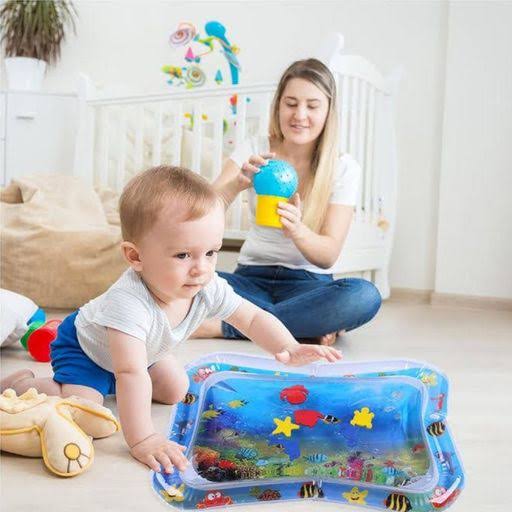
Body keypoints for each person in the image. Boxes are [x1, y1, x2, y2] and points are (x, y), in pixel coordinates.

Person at [0, 165, 341, 474]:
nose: (201, 267)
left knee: (175, 389)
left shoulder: (205, 283)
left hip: (144, 350)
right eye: (183, 255)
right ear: (136, 257)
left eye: (211, 252)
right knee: (86, 411)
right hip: (86, 348)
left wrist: (288, 346)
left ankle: (105, 386)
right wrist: (143, 439)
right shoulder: (128, 304)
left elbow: (251, 317)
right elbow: (129, 372)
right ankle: (25, 384)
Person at [193, 58, 382, 346]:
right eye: (291, 103)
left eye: (312, 105)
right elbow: (203, 213)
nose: (300, 115)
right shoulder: (255, 148)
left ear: (328, 111)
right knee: (179, 277)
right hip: (249, 280)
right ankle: (301, 325)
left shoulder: (343, 167)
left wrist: (298, 231)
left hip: (308, 286)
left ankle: (227, 326)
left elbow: (328, 254)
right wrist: (237, 184)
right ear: (278, 106)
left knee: (364, 296)